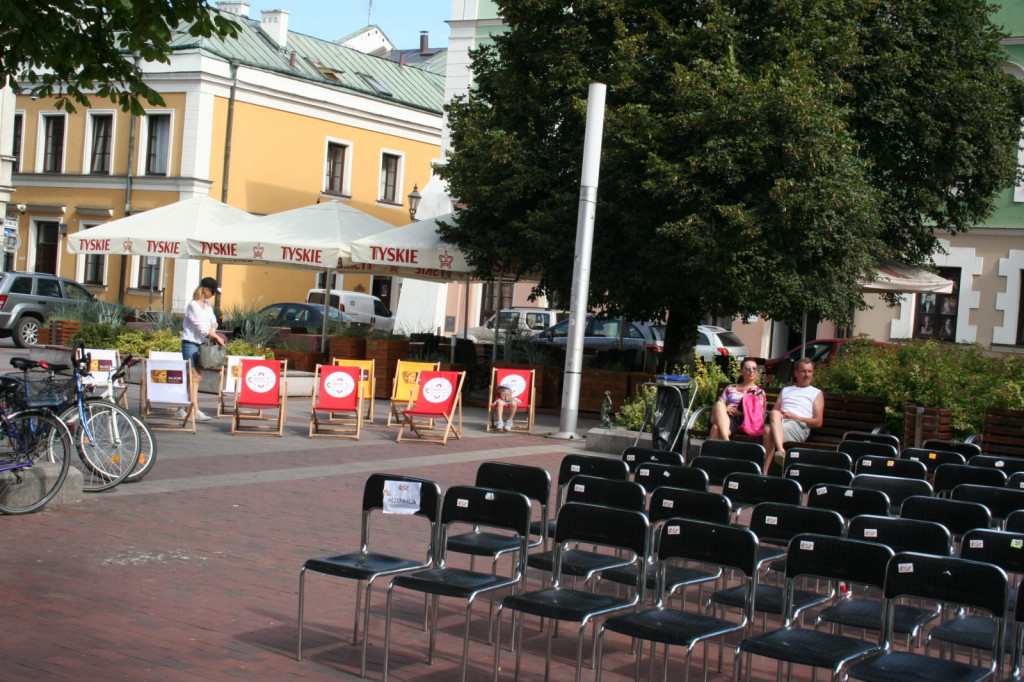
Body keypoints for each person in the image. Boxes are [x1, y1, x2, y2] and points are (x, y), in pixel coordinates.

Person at [763, 357, 824, 469]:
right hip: (781, 422)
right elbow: (775, 412)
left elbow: (818, 422)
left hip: (799, 426)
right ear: (796, 373)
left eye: (810, 371)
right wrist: (780, 416)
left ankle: (764, 472)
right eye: (803, 371)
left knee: (768, 431)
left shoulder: (816, 393)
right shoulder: (786, 390)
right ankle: (780, 451)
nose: (807, 375)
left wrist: (796, 417)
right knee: (774, 415)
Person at [179, 276, 226, 422]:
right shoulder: (193, 305)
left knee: (195, 377)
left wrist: (212, 329)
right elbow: (201, 327)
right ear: (205, 290)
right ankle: (194, 409)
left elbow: (214, 322)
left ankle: (182, 407)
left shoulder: (207, 305)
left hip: (201, 343)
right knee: (194, 377)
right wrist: (216, 336)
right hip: (190, 342)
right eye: (212, 292)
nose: (213, 295)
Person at [709, 358, 766, 441]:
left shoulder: (759, 392)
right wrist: (726, 409)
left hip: (738, 421)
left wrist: (739, 413)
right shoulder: (730, 388)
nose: (751, 371)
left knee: (716, 428)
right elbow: (719, 407)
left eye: (754, 368)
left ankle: (724, 441)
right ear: (741, 371)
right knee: (719, 404)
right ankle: (726, 441)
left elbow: (759, 416)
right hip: (721, 415)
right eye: (748, 368)